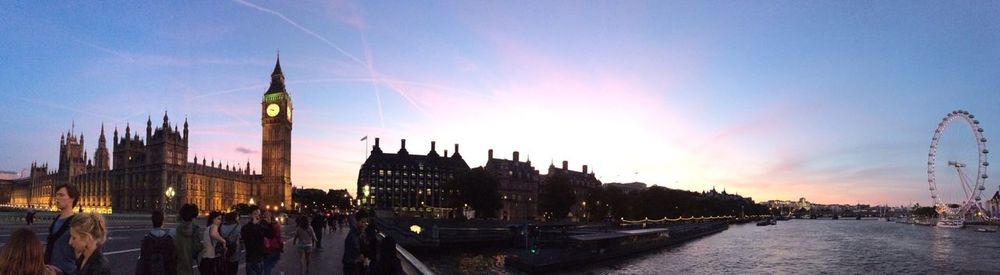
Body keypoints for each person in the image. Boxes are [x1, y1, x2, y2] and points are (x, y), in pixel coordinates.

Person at [46, 183, 80, 275]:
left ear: (72, 198)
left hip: (66, 272)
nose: (57, 198)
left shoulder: (76, 223)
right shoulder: (56, 220)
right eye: (56, 195)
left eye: (61, 195)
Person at [136, 210, 177, 275]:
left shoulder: (146, 240)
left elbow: (142, 261)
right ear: (162, 221)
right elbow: (173, 262)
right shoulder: (169, 240)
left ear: (152, 221)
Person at [241, 207, 273, 275]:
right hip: (251, 259)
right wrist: (254, 225)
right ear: (250, 215)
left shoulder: (261, 227)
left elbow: (270, 235)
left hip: (260, 259)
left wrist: (269, 224)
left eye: (258, 214)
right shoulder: (245, 228)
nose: (257, 216)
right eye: (255, 214)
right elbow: (248, 239)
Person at [174, 204, 202, 275]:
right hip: (189, 267)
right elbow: (197, 247)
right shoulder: (195, 229)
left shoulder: (174, 231)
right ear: (193, 217)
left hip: (177, 267)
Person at [342, 211, 369, 275]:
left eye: (365, 222)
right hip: (352, 270)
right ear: (356, 221)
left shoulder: (361, 234)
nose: (364, 225)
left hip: (357, 268)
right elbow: (346, 259)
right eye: (362, 222)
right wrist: (358, 259)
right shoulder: (352, 237)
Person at [261, 211, 283, 275]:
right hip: (274, 247)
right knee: (269, 265)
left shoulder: (261, 225)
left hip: (266, 248)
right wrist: (281, 246)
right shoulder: (276, 225)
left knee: (267, 265)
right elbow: (278, 237)